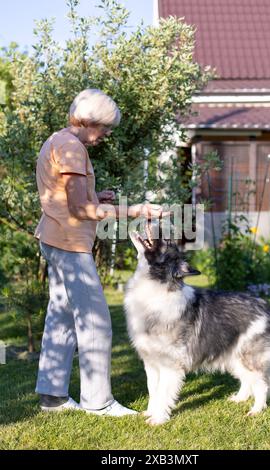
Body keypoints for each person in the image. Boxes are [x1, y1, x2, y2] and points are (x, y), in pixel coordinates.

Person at [34, 88, 164, 416]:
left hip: (54, 237)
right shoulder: (72, 149)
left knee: (61, 315)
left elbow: (68, 197)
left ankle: (53, 397)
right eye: (105, 127)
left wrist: (96, 196)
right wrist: (135, 211)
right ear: (90, 121)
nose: (106, 134)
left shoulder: (58, 140)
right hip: (69, 244)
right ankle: (98, 402)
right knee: (95, 321)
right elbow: (79, 210)